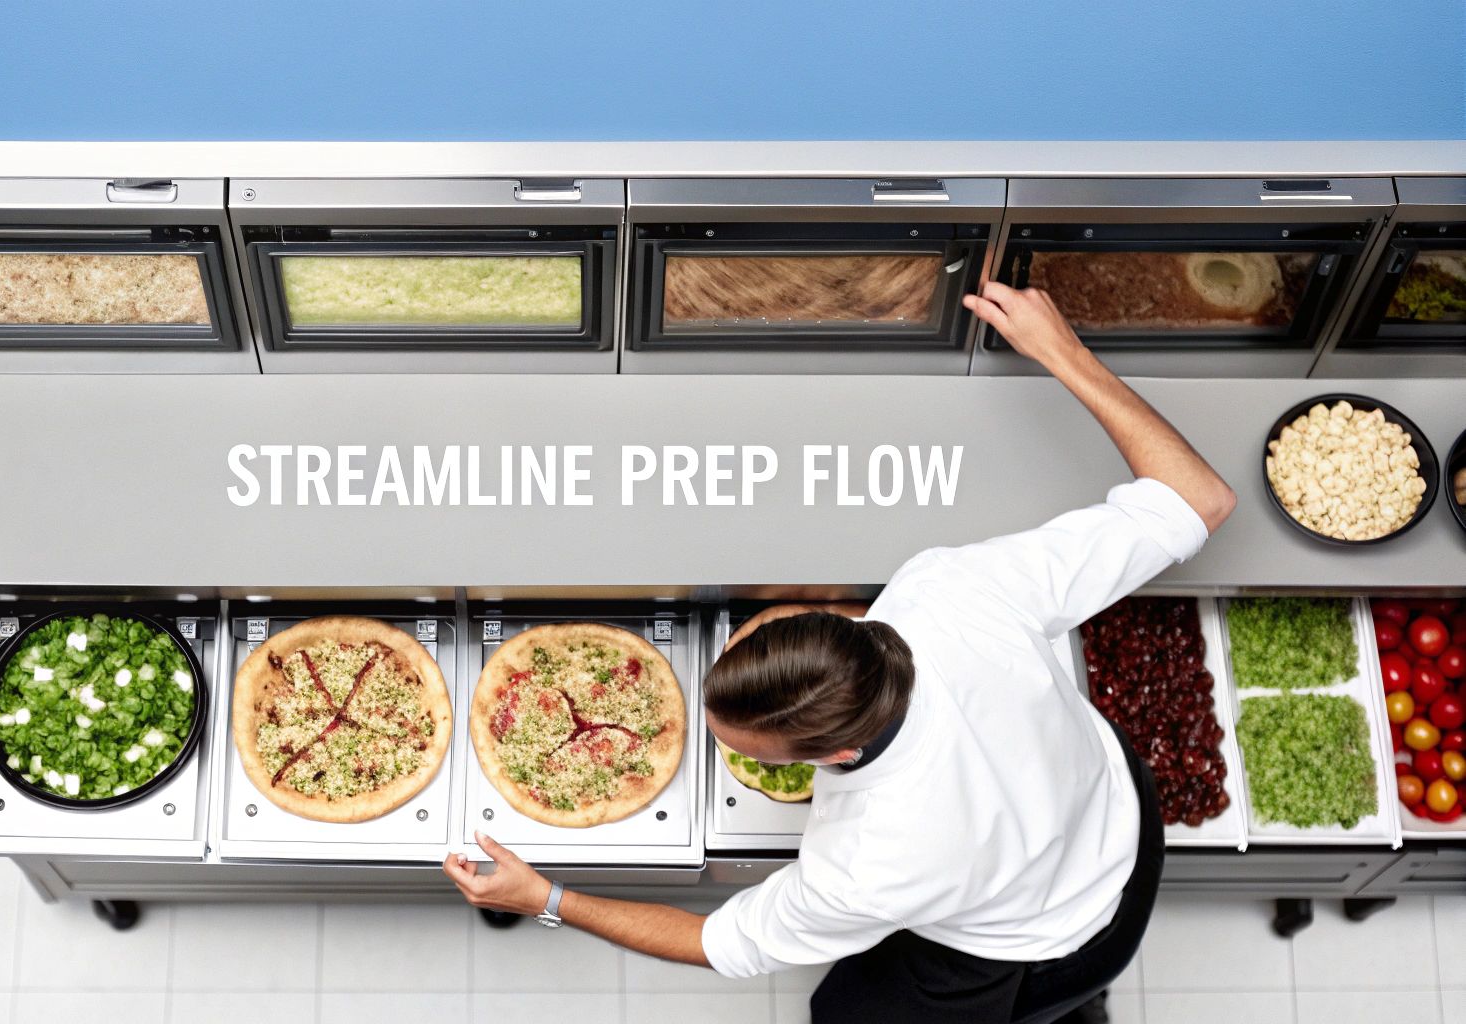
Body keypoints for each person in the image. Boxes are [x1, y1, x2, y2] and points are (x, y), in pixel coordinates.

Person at [443, 283, 1237, 1023]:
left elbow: (717, 945)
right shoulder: (952, 590)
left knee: (848, 1015)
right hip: (1126, 824)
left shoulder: (864, 864)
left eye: (761, 756)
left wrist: (546, 898)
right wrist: (1059, 349)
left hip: (1038, 945)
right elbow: (1198, 497)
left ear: (840, 750)